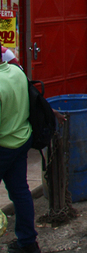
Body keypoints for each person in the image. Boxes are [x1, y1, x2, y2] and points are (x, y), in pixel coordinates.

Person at [0, 60, 41, 252]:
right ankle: (28, 243)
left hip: (4, 145)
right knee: (20, 192)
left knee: (19, 192)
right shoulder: (17, 72)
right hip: (22, 139)